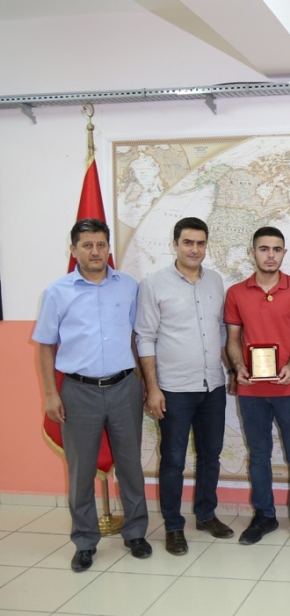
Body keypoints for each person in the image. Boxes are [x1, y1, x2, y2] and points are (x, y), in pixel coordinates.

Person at [33, 218, 151, 572]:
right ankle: (85, 541)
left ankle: (135, 533)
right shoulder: (57, 292)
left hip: (124, 387)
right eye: (87, 245)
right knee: (81, 470)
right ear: (74, 250)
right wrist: (51, 395)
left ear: (108, 248)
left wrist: (144, 381)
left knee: (131, 466)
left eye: (101, 245)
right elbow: (44, 348)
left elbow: (136, 338)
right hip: (78, 391)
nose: (95, 251)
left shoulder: (128, 286)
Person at [135, 217, 235, 556]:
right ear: (175, 244)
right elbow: (145, 338)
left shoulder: (216, 281)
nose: (195, 249)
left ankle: (206, 515)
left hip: (213, 387)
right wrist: (153, 388)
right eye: (188, 242)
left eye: (200, 243)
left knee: (211, 455)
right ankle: (174, 527)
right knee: (173, 460)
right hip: (174, 390)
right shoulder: (154, 285)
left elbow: (220, 333)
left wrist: (232, 369)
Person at [225, 226, 290, 547]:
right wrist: (238, 368)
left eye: (276, 249)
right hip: (251, 391)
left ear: (284, 253)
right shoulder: (236, 292)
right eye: (264, 249)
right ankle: (265, 515)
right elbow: (233, 339)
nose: (270, 255)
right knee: (259, 454)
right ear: (253, 252)